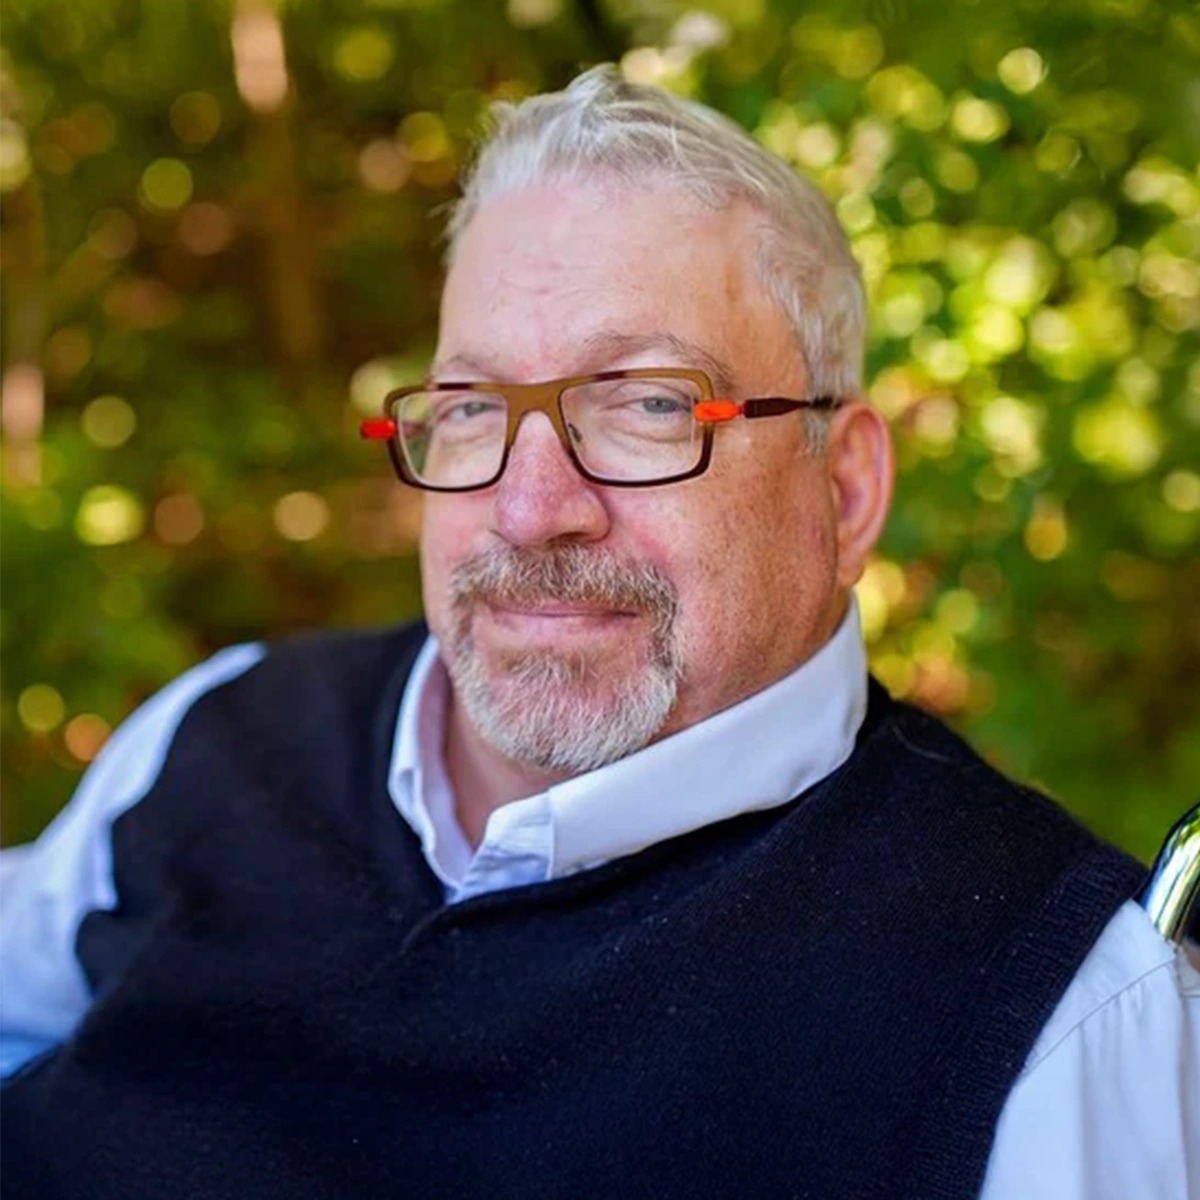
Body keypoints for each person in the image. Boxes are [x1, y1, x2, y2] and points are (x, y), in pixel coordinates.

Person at [1, 66, 1195, 1200]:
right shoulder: (225, 732)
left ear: (843, 491)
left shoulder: (1050, 1020)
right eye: (472, 408)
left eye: (648, 404)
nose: (531, 508)